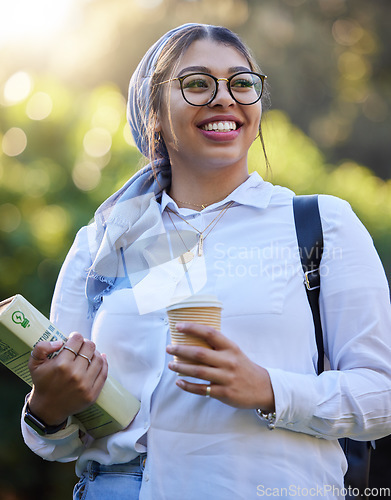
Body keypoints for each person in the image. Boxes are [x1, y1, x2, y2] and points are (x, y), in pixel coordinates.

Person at [22, 23, 391, 500]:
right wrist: (47, 407)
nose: (224, 98)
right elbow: (59, 443)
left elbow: (382, 395)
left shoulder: (319, 224)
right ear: (153, 112)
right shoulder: (103, 243)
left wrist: (270, 389)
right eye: (197, 84)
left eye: (241, 83)